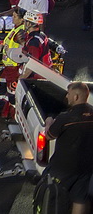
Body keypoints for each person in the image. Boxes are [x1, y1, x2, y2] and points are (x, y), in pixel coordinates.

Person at [43, 82, 93, 214]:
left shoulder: (65, 118)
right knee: (80, 198)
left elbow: (49, 136)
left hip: (62, 168)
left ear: (76, 97)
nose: (66, 96)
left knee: (54, 195)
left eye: (69, 93)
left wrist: (48, 122)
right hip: (86, 167)